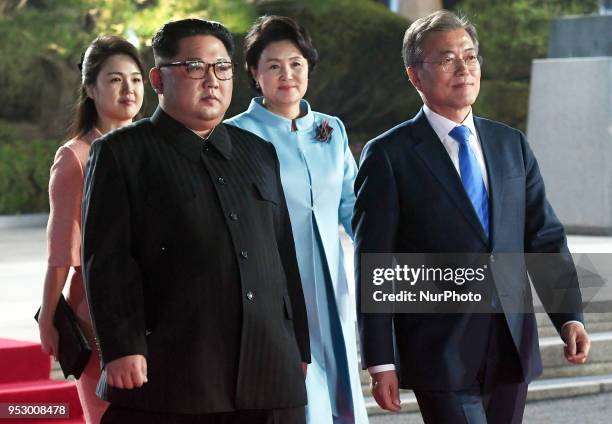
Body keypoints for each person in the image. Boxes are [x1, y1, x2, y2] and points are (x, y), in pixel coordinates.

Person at [353, 10, 591, 424]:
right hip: (438, 349)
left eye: (470, 56)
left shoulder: (510, 144)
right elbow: (375, 262)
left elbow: (544, 237)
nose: (463, 68)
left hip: (511, 345)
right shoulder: (388, 155)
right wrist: (380, 360)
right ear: (415, 76)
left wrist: (568, 314)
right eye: (446, 59)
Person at [81, 18, 310, 424]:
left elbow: (282, 256)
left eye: (222, 68)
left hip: (269, 371)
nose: (212, 80)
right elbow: (108, 261)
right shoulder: (123, 153)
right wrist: (120, 346)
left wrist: (299, 347)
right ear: (158, 79)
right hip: (174, 373)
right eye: (194, 67)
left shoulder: (258, 152)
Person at [225, 15, 368, 424]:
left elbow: (353, 207)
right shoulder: (236, 136)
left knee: (340, 376)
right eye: (274, 65)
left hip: (331, 281)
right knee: (297, 390)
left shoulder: (330, 129)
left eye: (296, 63)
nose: (287, 74)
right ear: (254, 72)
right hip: (275, 286)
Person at [38, 35, 144, 424]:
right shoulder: (76, 157)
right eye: (115, 80)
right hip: (98, 313)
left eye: (135, 79)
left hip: (159, 312)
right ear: (90, 89)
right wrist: (49, 318)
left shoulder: (154, 147)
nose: (128, 89)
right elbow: (62, 251)